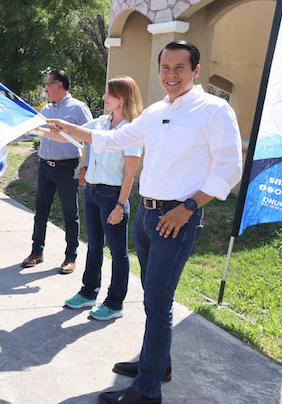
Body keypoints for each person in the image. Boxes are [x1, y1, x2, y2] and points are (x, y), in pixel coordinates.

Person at [48, 41, 242, 404]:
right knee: (152, 300)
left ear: (196, 71)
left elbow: (229, 168)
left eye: (179, 68)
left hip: (176, 218)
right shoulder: (155, 112)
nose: (171, 75)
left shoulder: (213, 110)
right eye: (165, 67)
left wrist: (187, 208)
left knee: (158, 300)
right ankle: (157, 365)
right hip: (148, 216)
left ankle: (148, 389)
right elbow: (115, 139)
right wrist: (68, 130)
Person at [40, 76, 143, 320]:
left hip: (112, 195)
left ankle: (115, 303)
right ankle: (88, 292)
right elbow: (67, 135)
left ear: (123, 99)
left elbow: (130, 173)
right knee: (94, 246)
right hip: (93, 192)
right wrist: (40, 128)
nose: (104, 97)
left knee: (118, 253)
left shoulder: (131, 131)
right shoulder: (100, 123)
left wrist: (120, 205)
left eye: (110, 94)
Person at [21, 69, 92, 274]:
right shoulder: (47, 109)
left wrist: (85, 166)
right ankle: (36, 252)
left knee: (70, 214)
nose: (45, 88)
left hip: (67, 168)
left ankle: (71, 257)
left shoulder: (78, 108)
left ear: (59, 85)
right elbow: (32, 131)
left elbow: (90, 139)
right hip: (45, 167)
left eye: (48, 84)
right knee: (40, 212)